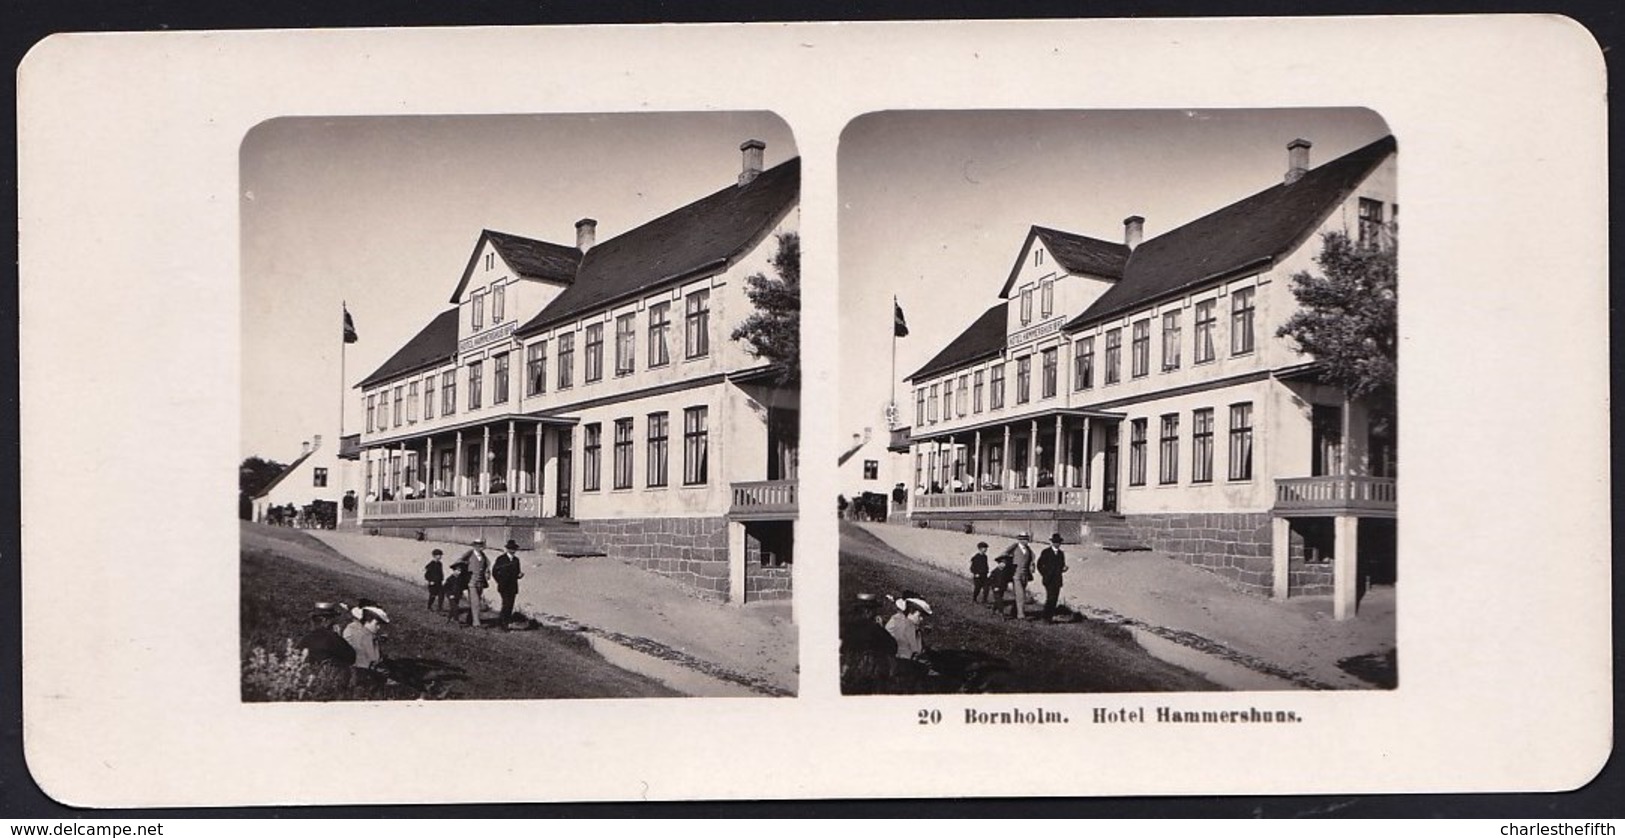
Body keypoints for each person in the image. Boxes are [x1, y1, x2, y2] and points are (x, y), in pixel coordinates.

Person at [885, 597, 932, 689]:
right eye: (919, 616)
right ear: (911, 612)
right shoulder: (907, 626)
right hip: (903, 671)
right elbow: (913, 653)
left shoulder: (900, 620)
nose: (922, 619)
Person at [296, 603, 356, 668]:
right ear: (325, 620)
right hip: (330, 674)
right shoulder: (332, 638)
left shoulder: (305, 639)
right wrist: (338, 636)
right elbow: (351, 657)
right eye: (332, 619)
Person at [342, 604, 390, 676]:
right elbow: (374, 660)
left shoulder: (354, 627)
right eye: (377, 624)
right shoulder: (366, 636)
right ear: (367, 621)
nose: (379, 627)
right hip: (364, 673)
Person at [998, 531, 1037, 620]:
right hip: (1016, 575)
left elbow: (1032, 560)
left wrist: (1032, 566)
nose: (1025, 541)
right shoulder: (1014, 548)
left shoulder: (1029, 550)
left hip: (1025, 575)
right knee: (1021, 595)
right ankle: (1021, 615)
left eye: (1026, 539)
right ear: (1019, 539)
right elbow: (1004, 555)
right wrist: (1004, 563)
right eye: (1023, 539)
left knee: (1019, 595)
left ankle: (1014, 611)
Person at [491, 539, 525, 630]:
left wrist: (519, 575)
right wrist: (499, 581)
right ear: (507, 549)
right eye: (511, 549)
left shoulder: (516, 560)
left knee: (510, 604)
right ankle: (503, 624)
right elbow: (494, 571)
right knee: (506, 604)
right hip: (503, 586)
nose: (513, 551)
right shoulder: (501, 559)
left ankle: (505, 621)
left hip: (513, 586)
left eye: (514, 549)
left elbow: (517, 572)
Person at [1036, 532, 1070, 620]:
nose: (1057, 544)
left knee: (1055, 598)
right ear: (1052, 543)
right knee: (1050, 598)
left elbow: (1062, 565)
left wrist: (1064, 569)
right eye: (1055, 542)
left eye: (1058, 542)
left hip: (1057, 579)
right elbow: (1039, 565)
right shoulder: (1046, 552)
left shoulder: (1061, 554)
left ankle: (1049, 616)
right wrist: (1044, 574)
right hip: (1048, 579)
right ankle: (1046, 617)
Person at [458, 539, 490, 627]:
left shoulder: (483, 555)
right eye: (477, 545)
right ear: (474, 546)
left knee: (476, 601)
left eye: (481, 545)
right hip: (471, 582)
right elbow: (459, 561)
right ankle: (476, 623)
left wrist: (487, 572)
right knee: (475, 602)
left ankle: (470, 619)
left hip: (480, 582)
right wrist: (465, 567)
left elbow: (487, 565)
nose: (479, 547)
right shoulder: (470, 553)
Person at [444, 557, 470, 625]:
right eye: (457, 570)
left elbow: (462, 587)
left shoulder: (460, 579)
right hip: (451, 596)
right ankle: (456, 620)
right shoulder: (450, 579)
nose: (458, 572)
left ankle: (449, 619)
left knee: (453, 609)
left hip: (457, 595)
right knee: (455, 607)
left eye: (460, 571)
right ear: (454, 570)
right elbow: (446, 587)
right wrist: (450, 594)